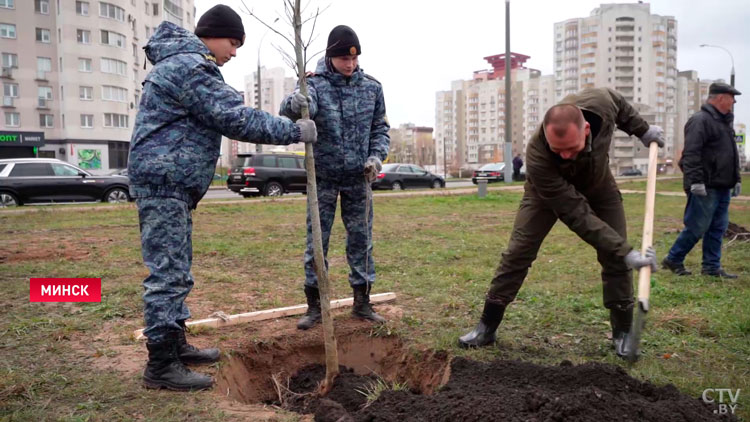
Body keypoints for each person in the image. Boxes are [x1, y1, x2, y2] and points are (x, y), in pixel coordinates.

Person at [128, 5, 317, 391]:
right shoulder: (191, 67)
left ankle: (175, 344)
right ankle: (161, 365)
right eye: (232, 42)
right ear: (211, 35)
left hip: (171, 180)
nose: (234, 52)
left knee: (176, 267)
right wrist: (294, 130)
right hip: (165, 179)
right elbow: (235, 118)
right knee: (167, 272)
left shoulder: (183, 64)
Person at [458, 88, 663, 358]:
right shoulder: (538, 155)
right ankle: (487, 326)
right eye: (559, 150)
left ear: (587, 129)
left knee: (614, 258)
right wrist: (626, 250)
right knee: (519, 251)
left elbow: (621, 106)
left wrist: (643, 131)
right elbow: (575, 213)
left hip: (599, 185)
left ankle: (622, 332)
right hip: (546, 194)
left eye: (571, 149)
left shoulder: (602, 103)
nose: (565, 155)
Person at [279, 25, 390, 330]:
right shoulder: (313, 86)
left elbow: (380, 131)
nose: (350, 64)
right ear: (330, 57)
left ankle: (362, 303)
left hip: (359, 179)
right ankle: (315, 305)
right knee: (317, 242)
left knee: (361, 241)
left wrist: (375, 158)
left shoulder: (372, 88)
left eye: (354, 59)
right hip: (323, 180)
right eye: (343, 59)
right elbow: (291, 109)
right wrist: (298, 104)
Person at [662, 82, 742, 278]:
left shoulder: (724, 122)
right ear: (721, 97)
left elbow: (731, 154)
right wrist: (696, 181)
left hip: (722, 185)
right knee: (698, 226)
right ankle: (673, 259)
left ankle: (711, 267)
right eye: (732, 97)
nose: (734, 101)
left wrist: (736, 179)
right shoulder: (700, 120)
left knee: (718, 228)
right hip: (705, 185)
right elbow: (691, 154)